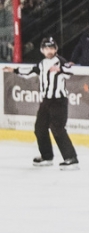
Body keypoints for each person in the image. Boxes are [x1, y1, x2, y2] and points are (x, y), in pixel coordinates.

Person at [3, 37, 79, 170]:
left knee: (57, 129)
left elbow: (71, 72)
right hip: (46, 101)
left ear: (55, 49)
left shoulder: (60, 61)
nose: (49, 51)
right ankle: (47, 156)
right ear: (42, 50)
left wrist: (60, 70)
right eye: (46, 48)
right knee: (40, 128)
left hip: (58, 101)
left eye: (51, 48)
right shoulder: (42, 64)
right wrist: (14, 70)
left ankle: (71, 158)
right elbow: (30, 72)